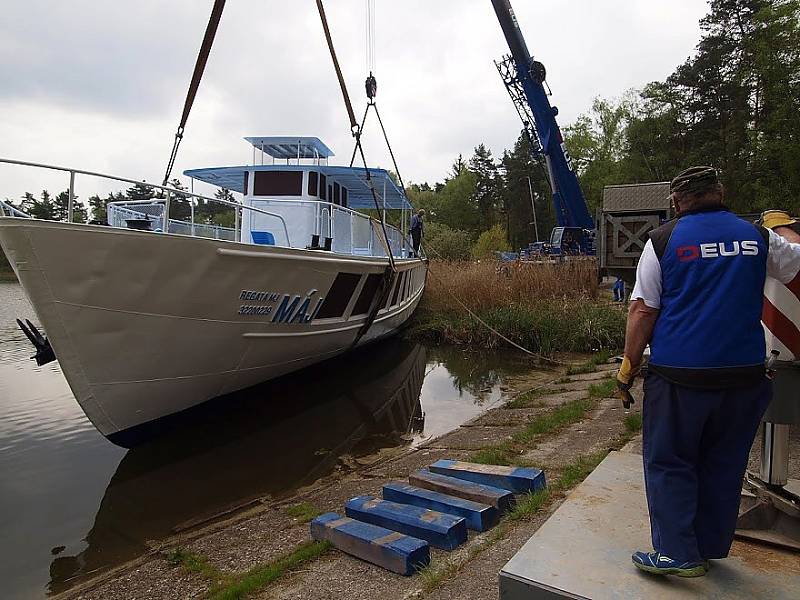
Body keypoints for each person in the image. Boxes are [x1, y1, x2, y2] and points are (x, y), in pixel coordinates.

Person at [615, 166, 800, 578]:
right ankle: (710, 545)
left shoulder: (663, 241)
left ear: (677, 202)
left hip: (681, 377)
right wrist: (784, 226)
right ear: (720, 192)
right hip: (745, 377)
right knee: (724, 462)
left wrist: (628, 366)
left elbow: (643, 309)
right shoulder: (757, 236)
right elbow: (794, 262)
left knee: (670, 460)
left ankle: (677, 553)